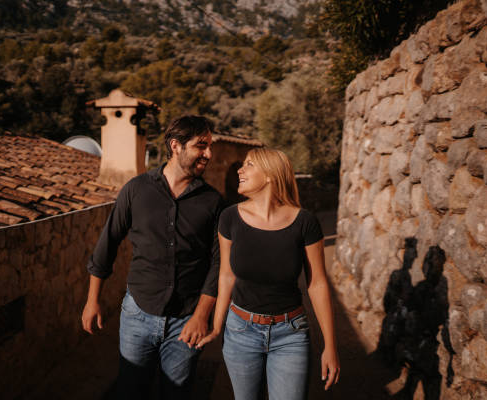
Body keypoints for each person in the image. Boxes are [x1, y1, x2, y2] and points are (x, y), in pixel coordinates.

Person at [81, 115, 223, 400]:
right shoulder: (136, 190)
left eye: (209, 146)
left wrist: (201, 316)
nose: (208, 154)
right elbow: (107, 244)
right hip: (137, 315)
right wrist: (92, 300)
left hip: (187, 322)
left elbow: (219, 263)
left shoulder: (213, 202)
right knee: (131, 392)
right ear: (176, 146)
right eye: (201, 146)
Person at [197, 147, 340, 400]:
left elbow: (317, 284)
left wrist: (330, 345)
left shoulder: (305, 222)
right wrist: (217, 326)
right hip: (240, 331)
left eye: (249, 164)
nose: (240, 170)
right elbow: (226, 275)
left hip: (291, 335)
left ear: (271, 175)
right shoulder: (230, 218)